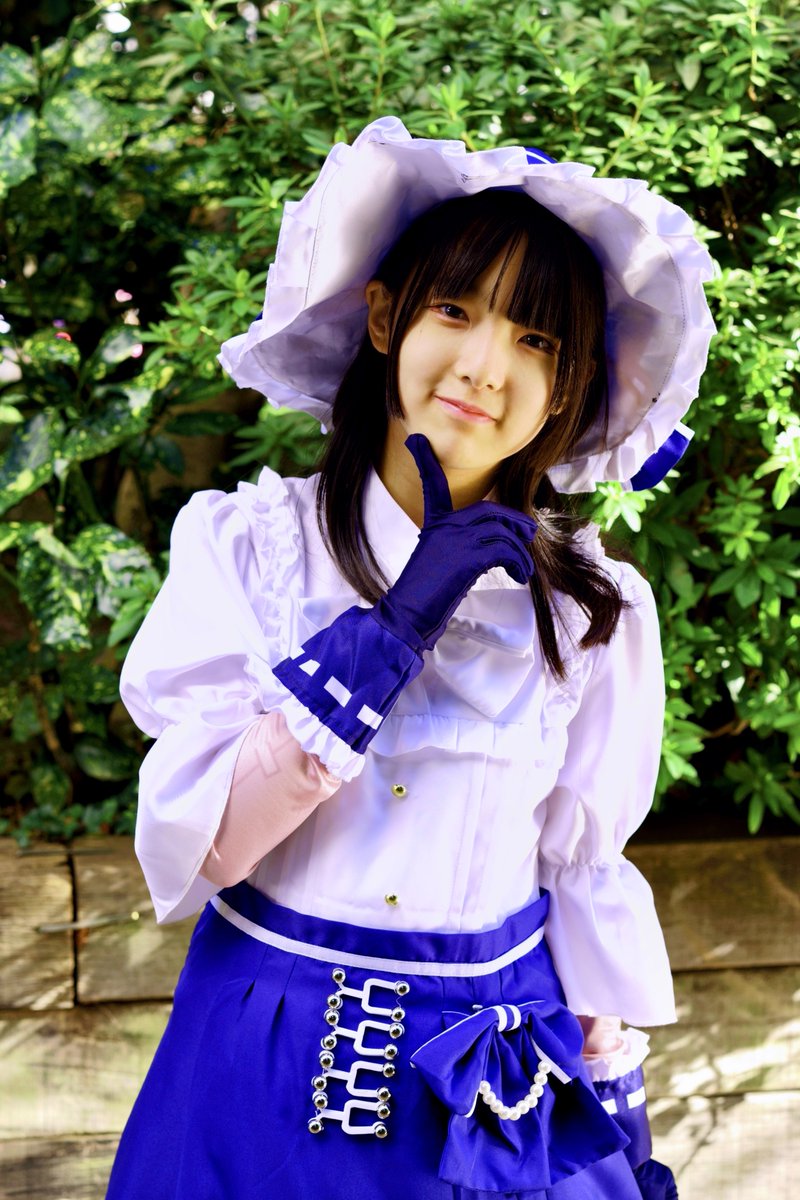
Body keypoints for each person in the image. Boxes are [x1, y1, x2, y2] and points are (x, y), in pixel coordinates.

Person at [105, 117, 715, 1200]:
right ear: (386, 317)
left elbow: (577, 870)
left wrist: (617, 1103)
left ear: (571, 385)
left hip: (492, 1080)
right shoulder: (251, 547)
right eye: (454, 311)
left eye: (537, 340)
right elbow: (207, 844)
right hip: (262, 1059)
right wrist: (388, 634)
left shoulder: (594, 609)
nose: (485, 366)